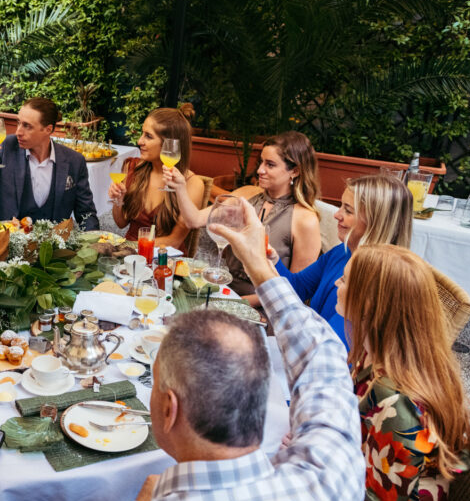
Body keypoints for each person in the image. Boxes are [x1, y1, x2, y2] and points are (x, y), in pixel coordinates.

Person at [0, 198, 364, 501]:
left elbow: (320, 356)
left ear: (169, 409)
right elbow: (322, 357)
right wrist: (258, 262)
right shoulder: (330, 482)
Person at [336, 245, 470, 501]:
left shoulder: (395, 402)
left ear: (368, 305)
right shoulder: (390, 358)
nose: (335, 286)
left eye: (343, 281)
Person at [167, 130, 322, 296]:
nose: (260, 170)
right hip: (224, 291)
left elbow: (295, 290)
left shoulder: (305, 220)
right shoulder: (247, 194)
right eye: (261, 162)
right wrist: (180, 188)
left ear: (295, 171)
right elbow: (194, 220)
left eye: (270, 165)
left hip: (264, 306)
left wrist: (240, 302)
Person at [274, 174, 412, 346]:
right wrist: (270, 258)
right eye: (341, 206)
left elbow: (334, 347)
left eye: (348, 210)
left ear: (375, 221)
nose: (337, 215)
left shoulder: (375, 280)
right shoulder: (343, 252)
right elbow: (298, 286)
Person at [0, 98, 98, 230]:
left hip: (51, 245)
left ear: (48, 129)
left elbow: (86, 213)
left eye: (27, 126)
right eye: (19, 123)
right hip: (2, 237)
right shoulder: (7, 147)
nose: (18, 131)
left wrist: (94, 243)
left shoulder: (74, 161)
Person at [107, 107, 206, 249]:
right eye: (142, 133)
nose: (140, 141)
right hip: (130, 256)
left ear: (170, 144)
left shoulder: (192, 184)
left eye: (148, 136)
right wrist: (119, 200)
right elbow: (121, 223)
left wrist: (125, 246)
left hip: (164, 259)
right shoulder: (132, 168)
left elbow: (175, 241)